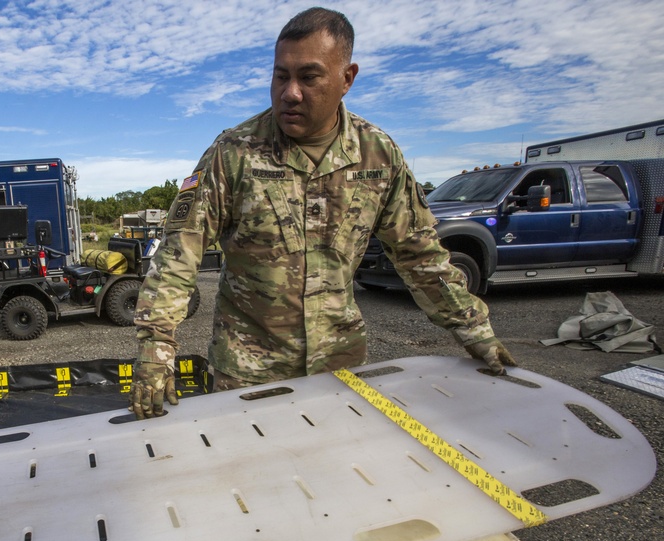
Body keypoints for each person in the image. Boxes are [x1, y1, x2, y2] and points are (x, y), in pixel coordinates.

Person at [129, 7, 515, 419]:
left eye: (308, 77)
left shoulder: (378, 155)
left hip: (339, 365)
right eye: (281, 76)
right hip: (248, 374)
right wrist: (156, 348)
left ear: (346, 78)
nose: (290, 92)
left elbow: (419, 254)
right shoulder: (234, 153)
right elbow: (178, 256)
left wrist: (473, 330)